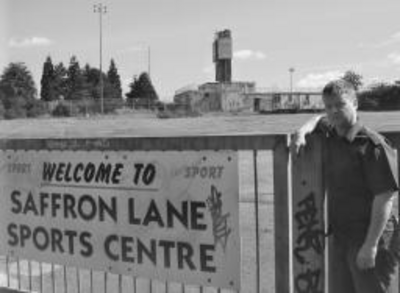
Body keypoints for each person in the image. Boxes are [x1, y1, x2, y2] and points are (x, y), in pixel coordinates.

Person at [293, 79, 400, 293]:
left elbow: (385, 198)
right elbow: (318, 119)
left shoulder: (372, 145)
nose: (333, 111)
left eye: (340, 105)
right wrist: (302, 131)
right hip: (341, 238)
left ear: (355, 104)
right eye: (328, 106)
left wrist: (370, 246)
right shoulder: (332, 133)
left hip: (370, 238)